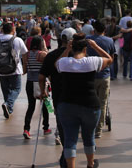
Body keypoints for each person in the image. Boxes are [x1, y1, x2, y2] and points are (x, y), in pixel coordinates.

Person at [56, 33, 113, 168]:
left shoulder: (65, 63)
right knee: (89, 137)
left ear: (72, 48)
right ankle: (90, 164)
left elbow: (56, 64)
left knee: (70, 139)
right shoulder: (92, 61)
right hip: (90, 105)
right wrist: (96, 46)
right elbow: (109, 59)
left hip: (67, 104)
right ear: (85, 49)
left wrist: (66, 49)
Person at [39, 28, 75, 167]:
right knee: (73, 133)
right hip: (77, 98)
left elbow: (41, 76)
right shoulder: (78, 55)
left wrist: (43, 91)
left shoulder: (51, 55)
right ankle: (66, 159)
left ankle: (65, 158)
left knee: (63, 129)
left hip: (59, 98)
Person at [0, 22, 28, 118]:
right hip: (15, 70)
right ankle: (8, 105)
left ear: (2, 30)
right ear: (13, 30)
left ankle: (9, 109)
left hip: (2, 70)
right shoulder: (17, 40)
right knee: (16, 89)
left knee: (6, 91)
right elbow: (25, 53)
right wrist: (25, 66)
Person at [86, 20, 115, 138]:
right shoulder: (109, 41)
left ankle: (89, 127)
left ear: (94, 29)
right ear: (105, 30)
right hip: (104, 76)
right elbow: (112, 58)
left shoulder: (88, 40)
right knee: (102, 103)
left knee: (90, 103)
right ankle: (98, 130)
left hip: (90, 76)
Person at [22, 36, 49, 139]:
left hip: (29, 82)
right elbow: (47, 71)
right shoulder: (43, 55)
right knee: (45, 105)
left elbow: (24, 71)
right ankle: (46, 127)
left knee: (31, 106)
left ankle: (26, 129)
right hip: (40, 83)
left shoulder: (26, 54)